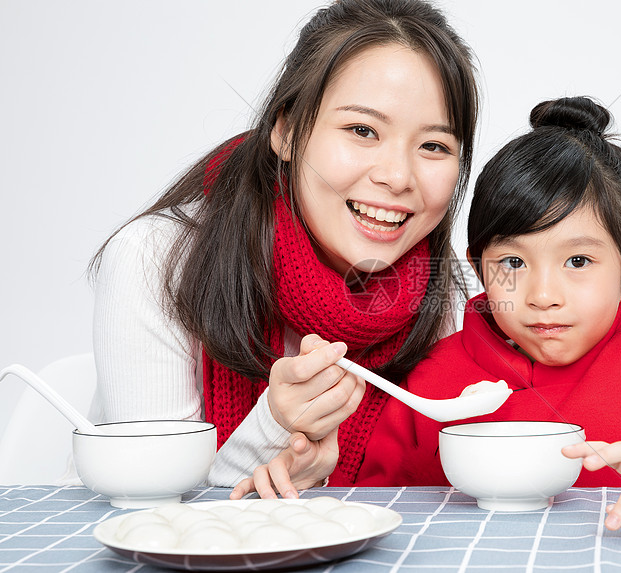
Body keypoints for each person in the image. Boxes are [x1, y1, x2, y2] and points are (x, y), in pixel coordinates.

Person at [243, 96, 621, 529]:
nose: (542, 295)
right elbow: (373, 506)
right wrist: (307, 475)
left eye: (579, 262)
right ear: (476, 263)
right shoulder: (438, 377)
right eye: (512, 263)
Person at [88, 0, 478, 489]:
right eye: (362, 130)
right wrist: (275, 427)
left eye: (434, 146)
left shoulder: (448, 294)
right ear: (287, 130)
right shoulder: (154, 260)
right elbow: (154, 507)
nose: (398, 177)